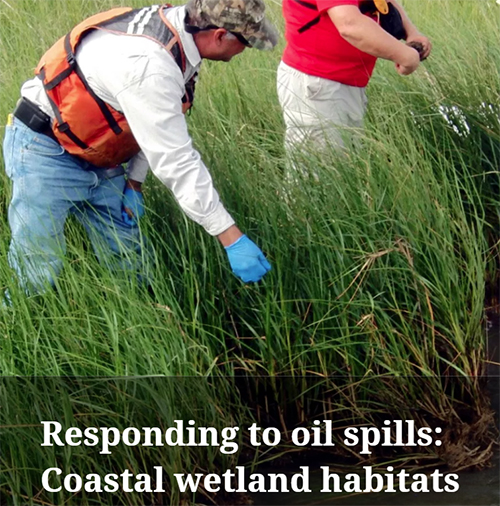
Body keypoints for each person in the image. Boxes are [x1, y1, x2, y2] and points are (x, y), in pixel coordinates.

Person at [2, 0, 278, 298]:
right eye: (246, 42)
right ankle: (18, 323)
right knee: (37, 267)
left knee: (129, 261)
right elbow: (176, 160)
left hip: (101, 155)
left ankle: (144, 315)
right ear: (220, 35)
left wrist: (134, 182)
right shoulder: (149, 64)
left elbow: (151, 118)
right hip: (44, 149)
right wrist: (230, 238)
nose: (245, 50)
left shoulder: (178, 33)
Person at [277, 0, 431, 152]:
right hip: (317, 86)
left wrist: (411, 32)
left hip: (340, 84)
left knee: (345, 166)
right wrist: (405, 56)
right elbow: (350, 25)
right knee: (321, 172)